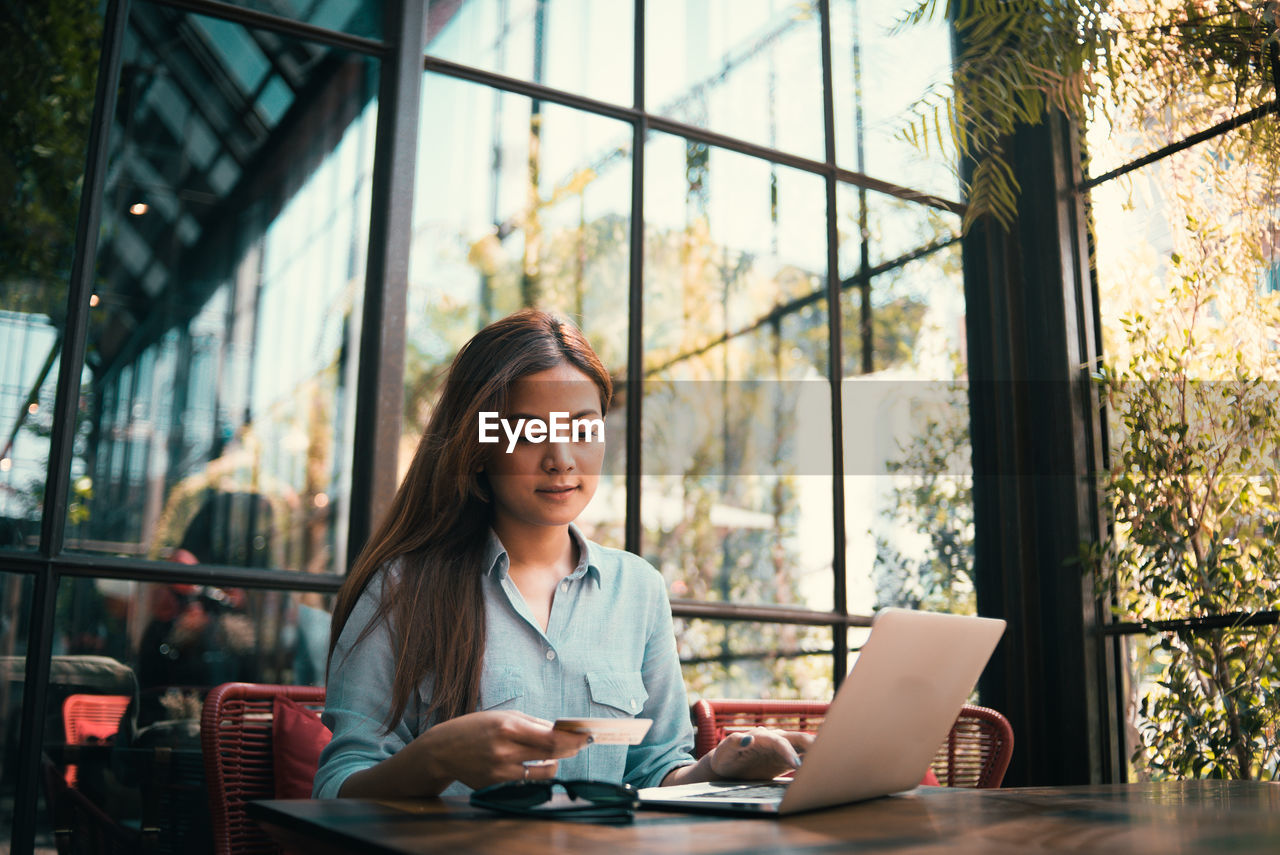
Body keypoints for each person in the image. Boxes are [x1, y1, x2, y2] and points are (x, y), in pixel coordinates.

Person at [314, 309, 810, 799]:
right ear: (480, 444)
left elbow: (657, 770)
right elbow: (336, 789)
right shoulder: (404, 588)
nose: (561, 458)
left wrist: (719, 767)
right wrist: (436, 758)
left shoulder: (637, 588)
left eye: (582, 429)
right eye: (530, 432)